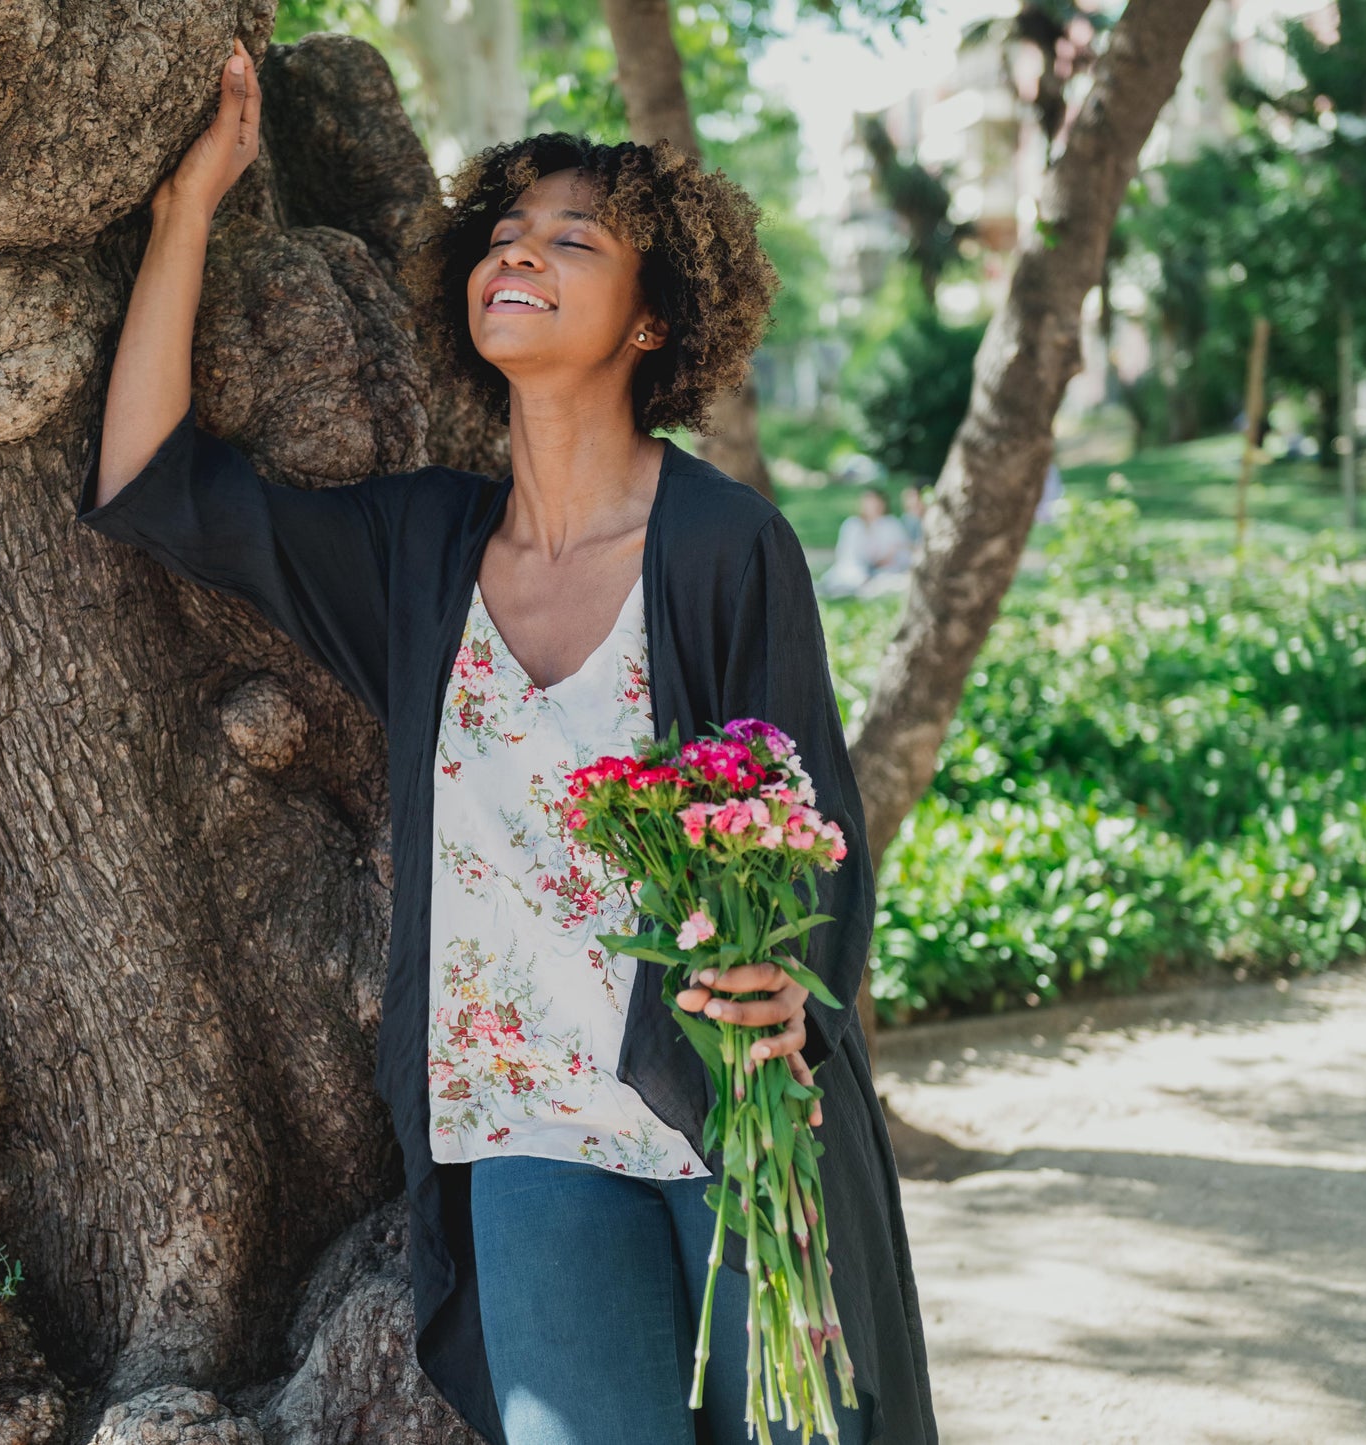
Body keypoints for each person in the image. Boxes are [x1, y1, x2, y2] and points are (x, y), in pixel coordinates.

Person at [75, 38, 938, 1445]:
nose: (514, 253)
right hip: (527, 1137)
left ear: (653, 316)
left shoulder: (724, 545)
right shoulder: (423, 547)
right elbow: (155, 488)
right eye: (502, 234)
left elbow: (808, 820)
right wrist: (185, 215)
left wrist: (804, 991)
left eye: (571, 238)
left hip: (728, 1114)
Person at [817, 487, 912, 599]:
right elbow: (847, 554)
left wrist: (886, 558)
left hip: (885, 569)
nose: (872, 507)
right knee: (849, 578)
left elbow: (901, 551)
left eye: (876, 503)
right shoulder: (853, 524)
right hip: (855, 568)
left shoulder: (891, 524)